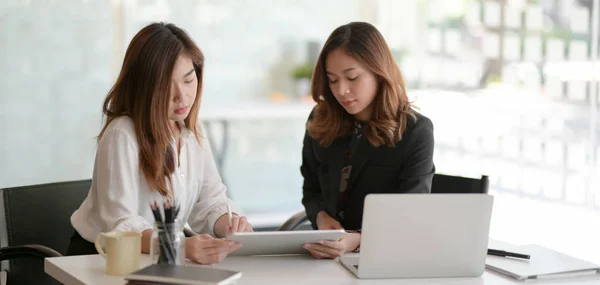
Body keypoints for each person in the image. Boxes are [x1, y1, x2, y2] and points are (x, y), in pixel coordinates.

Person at [67, 22, 252, 264]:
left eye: (188, 80)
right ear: (144, 87)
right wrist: (180, 246)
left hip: (159, 258)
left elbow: (210, 202)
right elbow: (121, 226)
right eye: (166, 86)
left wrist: (229, 224)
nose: (181, 96)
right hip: (102, 261)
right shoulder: (122, 134)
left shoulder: (193, 132)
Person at [301, 22, 435, 259]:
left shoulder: (415, 131)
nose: (342, 90)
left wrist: (359, 240)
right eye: (332, 80)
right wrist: (321, 217)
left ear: (378, 71)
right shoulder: (320, 120)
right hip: (326, 256)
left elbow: (410, 211)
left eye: (352, 77)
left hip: (385, 257)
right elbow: (311, 189)